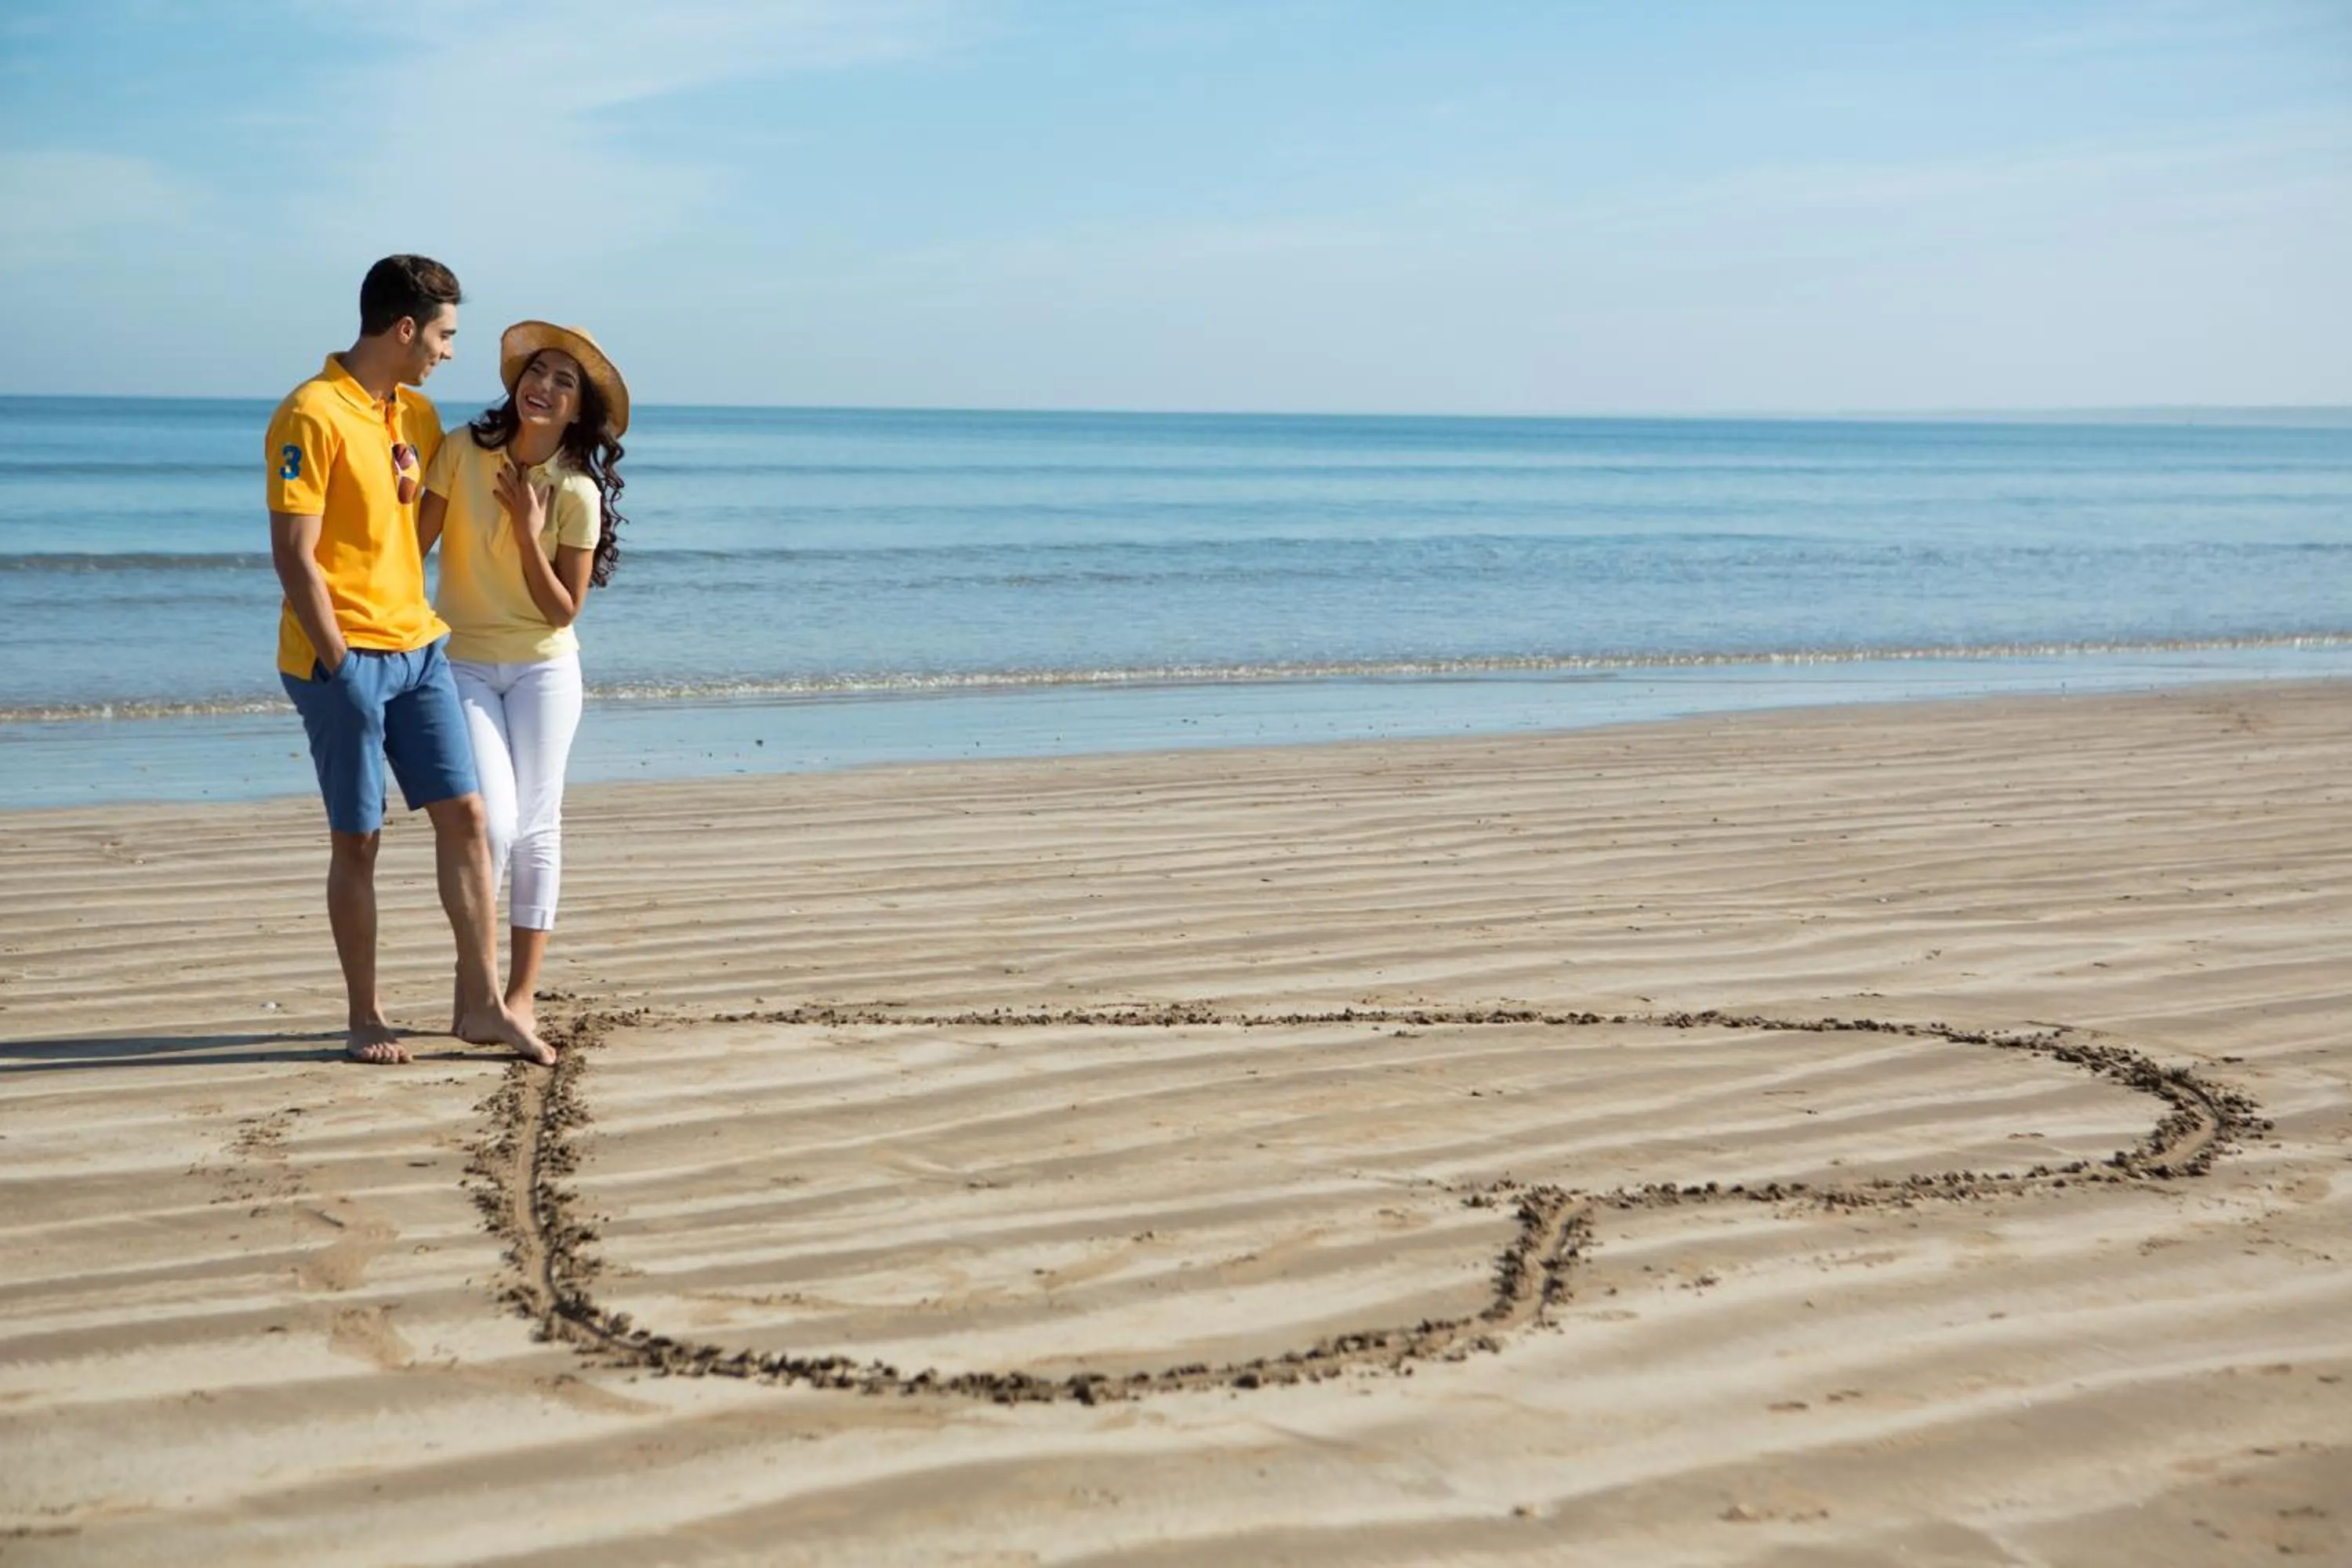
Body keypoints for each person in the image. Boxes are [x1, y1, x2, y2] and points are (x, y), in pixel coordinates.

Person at [265, 256, 554, 1067]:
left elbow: (483, 465)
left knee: (466, 818)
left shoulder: (417, 417)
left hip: (420, 650)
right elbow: (295, 556)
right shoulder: (310, 414)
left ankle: (484, 1004)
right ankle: (366, 1015)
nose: (448, 351)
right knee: (358, 841)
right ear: (405, 329)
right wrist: (343, 666)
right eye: (445, 334)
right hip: (340, 660)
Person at [417, 321, 630, 1035]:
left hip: (545, 667)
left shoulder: (575, 491)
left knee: (538, 826)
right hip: (463, 659)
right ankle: (473, 989)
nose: (544, 387)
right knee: (492, 824)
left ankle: (519, 996)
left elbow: (562, 607)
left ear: (577, 411)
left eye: (563, 383)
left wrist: (523, 522)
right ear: (517, 383)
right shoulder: (459, 452)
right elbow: (412, 544)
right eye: (537, 372)